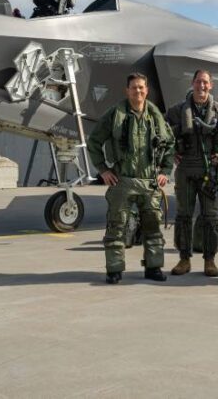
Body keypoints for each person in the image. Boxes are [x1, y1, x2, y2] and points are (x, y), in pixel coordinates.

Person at [87, 72, 175, 284]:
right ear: (127, 90)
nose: (138, 91)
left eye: (141, 87)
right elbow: (94, 141)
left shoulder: (156, 117)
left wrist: (165, 171)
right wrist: (103, 170)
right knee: (117, 226)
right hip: (122, 180)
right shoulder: (115, 115)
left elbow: (170, 144)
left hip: (149, 181)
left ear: (147, 90)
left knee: (153, 227)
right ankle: (114, 270)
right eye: (134, 87)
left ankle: (153, 268)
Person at [165, 70, 218, 277]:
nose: (202, 86)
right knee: (183, 215)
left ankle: (210, 260)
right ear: (193, 83)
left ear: (211, 85)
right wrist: (171, 152)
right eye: (198, 82)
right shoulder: (177, 111)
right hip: (186, 169)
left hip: (210, 170)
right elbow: (160, 134)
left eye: (205, 82)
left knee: (211, 216)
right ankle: (184, 259)